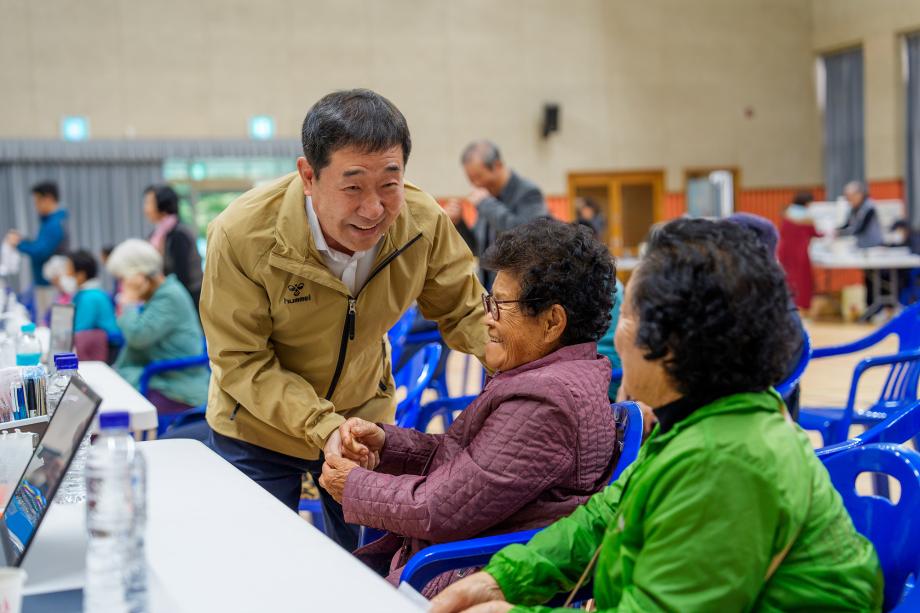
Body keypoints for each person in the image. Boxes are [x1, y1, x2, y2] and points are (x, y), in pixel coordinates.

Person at [431, 218, 883, 613]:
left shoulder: (727, 464)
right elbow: (599, 519)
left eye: (626, 319)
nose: (617, 343)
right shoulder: (696, 423)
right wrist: (503, 577)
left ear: (675, 345)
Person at [200, 89, 488, 551]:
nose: (374, 209)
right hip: (255, 425)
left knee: (366, 565)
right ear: (308, 176)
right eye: (353, 186)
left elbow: (465, 309)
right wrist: (323, 424)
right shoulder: (243, 234)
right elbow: (241, 361)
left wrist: (522, 359)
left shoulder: (421, 223)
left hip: (360, 424)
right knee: (255, 561)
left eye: (389, 184)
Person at [319, 219, 619, 596]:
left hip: (456, 578)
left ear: (551, 322)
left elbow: (437, 510)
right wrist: (386, 444)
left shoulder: (545, 403)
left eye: (499, 305)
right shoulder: (556, 376)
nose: (487, 318)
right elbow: (470, 466)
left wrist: (353, 486)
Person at [106, 239, 208, 415]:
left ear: (139, 276)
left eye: (123, 280)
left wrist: (128, 303)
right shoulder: (159, 295)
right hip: (160, 376)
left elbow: (137, 336)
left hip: (177, 385)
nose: (122, 287)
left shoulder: (169, 296)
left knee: (111, 409)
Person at [450, 141, 547, 289]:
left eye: (479, 177)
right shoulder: (488, 198)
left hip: (521, 289)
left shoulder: (528, 192)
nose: (476, 185)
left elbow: (528, 237)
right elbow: (477, 247)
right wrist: (459, 222)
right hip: (490, 287)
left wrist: (487, 204)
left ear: (497, 166)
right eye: (471, 180)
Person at [4, 181, 70, 323]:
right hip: (45, 283)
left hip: (50, 284)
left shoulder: (54, 224)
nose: (36, 206)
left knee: (49, 323)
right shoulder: (50, 222)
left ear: (48, 199)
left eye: (37, 201)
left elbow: (41, 251)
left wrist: (19, 244)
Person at [143, 185, 203, 308]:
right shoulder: (156, 235)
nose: (145, 209)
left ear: (163, 205)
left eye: (149, 203)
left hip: (187, 300)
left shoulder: (179, 234)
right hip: (171, 297)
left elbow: (182, 276)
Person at [64, 249, 121, 360]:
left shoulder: (90, 297)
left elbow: (79, 329)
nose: (66, 274)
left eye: (69, 270)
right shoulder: (86, 294)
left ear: (81, 275)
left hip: (107, 350)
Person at [777, 191, 821, 310]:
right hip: (799, 252)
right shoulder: (806, 216)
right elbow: (815, 233)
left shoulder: (787, 213)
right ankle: (802, 306)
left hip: (784, 250)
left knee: (788, 278)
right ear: (807, 202)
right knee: (802, 280)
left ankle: (787, 305)